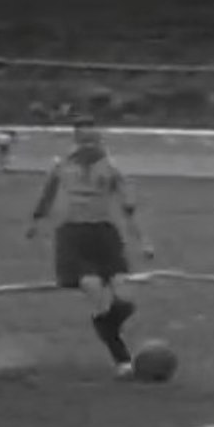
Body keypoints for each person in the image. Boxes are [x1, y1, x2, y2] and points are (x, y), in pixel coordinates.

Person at [26, 116, 154, 379]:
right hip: (73, 235)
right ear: (75, 139)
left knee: (125, 299)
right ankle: (121, 359)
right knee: (93, 288)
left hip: (104, 233)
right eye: (83, 137)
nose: (88, 142)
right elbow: (46, 196)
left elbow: (129, 208)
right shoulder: (61, 165)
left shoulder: (112, 168)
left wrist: (144, 241)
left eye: (92, 137)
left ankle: (107, 327)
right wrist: (36, 223)